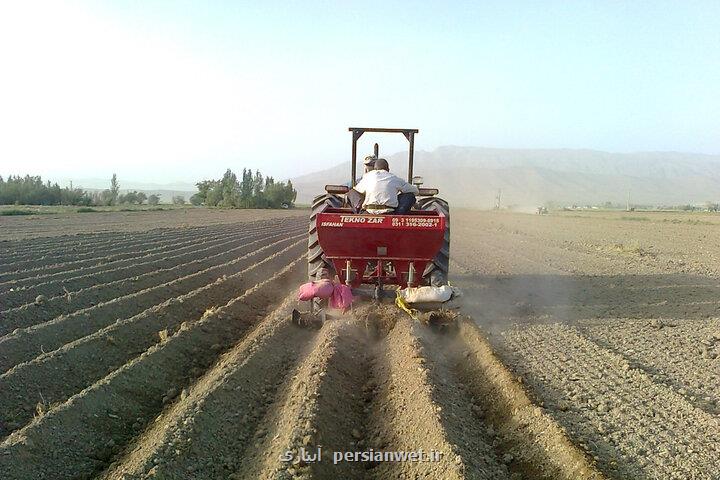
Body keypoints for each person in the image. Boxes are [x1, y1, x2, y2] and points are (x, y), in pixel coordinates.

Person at [352, 158, 418, 214]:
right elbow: (415, 191)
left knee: (352, 193)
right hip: (388, 211)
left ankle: (358, 212)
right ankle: (398, 216)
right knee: (410, 196)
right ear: (388, 169)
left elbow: (356, 190)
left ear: (374, 169)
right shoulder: (394, 178)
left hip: (369, 211)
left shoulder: (367, 176)